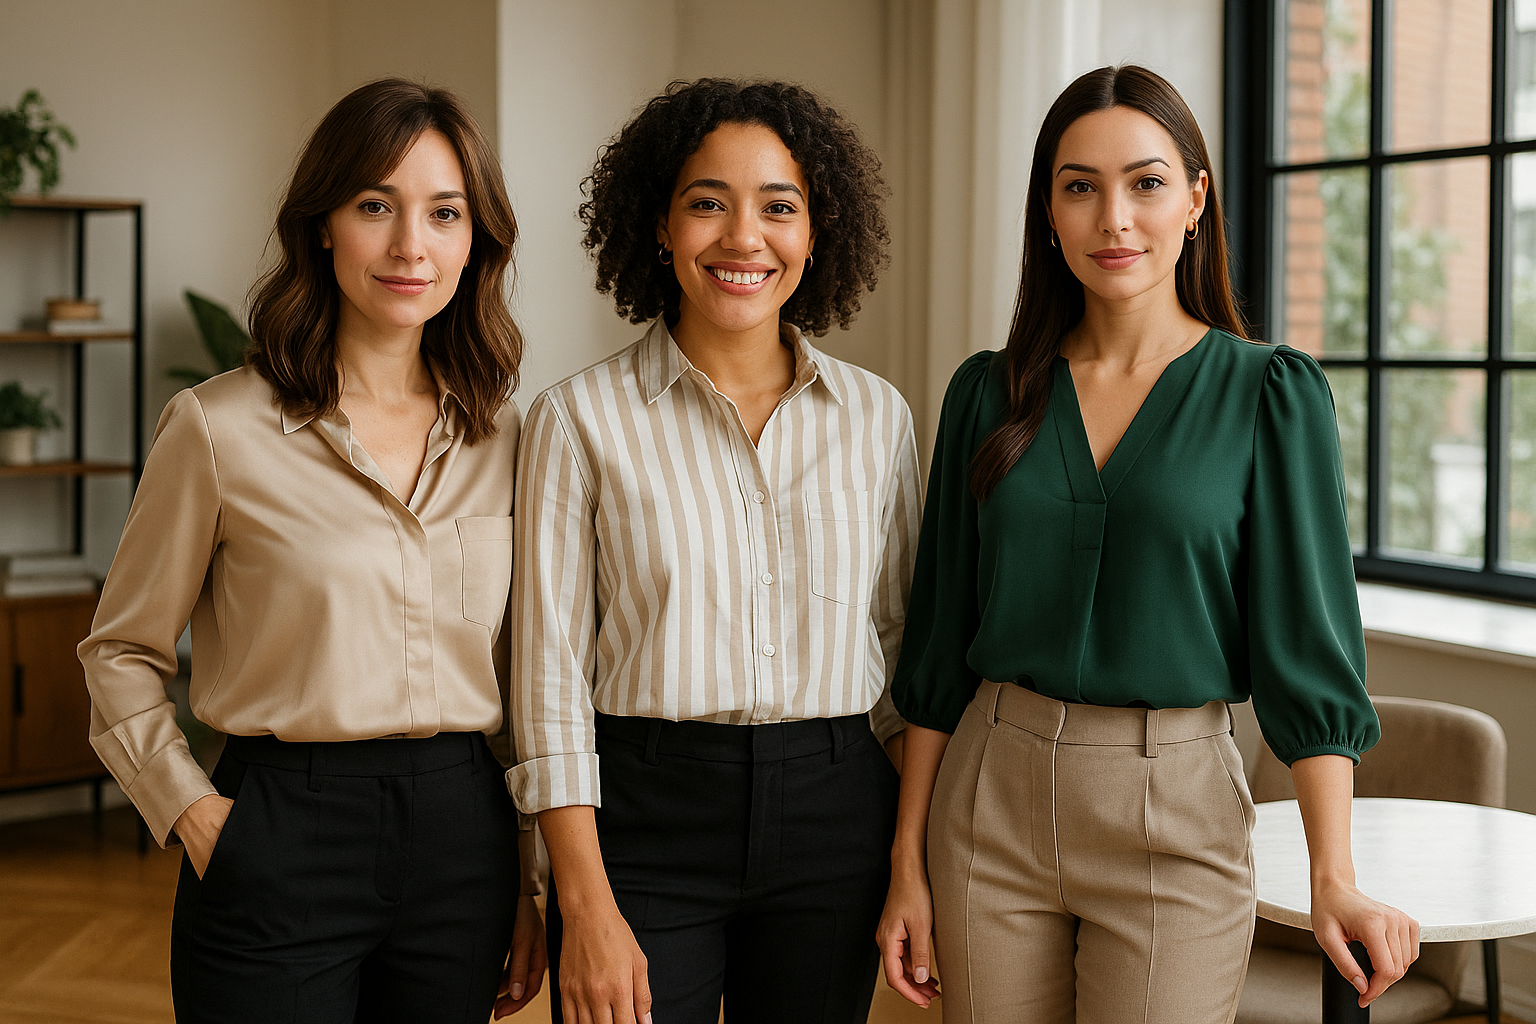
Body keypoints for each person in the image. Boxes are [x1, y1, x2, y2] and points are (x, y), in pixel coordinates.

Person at [875, 65, 1420, 1024]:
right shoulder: (985, 394)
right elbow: (937, 643)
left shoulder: (1270, 397)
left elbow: (1310, 656)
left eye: (1147, 182)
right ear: (1048, 211)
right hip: (986, 801)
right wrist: (905, 863)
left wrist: (1335, 875)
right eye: (1079, 186)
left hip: (1176, 810)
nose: (1113, 219)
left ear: (1197, 198)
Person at [78, 79, 545, 1024]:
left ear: (475, 240)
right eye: (376, 205)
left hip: (465, 838)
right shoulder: (217, 427)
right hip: (281, 826)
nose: (411, 245)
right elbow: (119, 651)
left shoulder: (509, 440)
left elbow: (524, 675)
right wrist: (198, 816)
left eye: (444, 213)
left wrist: (530, 871)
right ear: (322, 225)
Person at [508, 79, 921, 1024]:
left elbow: (902, 647)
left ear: (817, 234)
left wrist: (911, 859)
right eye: (708, 204)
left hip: (836, 813)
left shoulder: (877, 418)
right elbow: (548, 676)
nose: (745, 238)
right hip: (642, 817)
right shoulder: (577, 420)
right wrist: (579, 898)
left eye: (780, 207)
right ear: (659, 225)